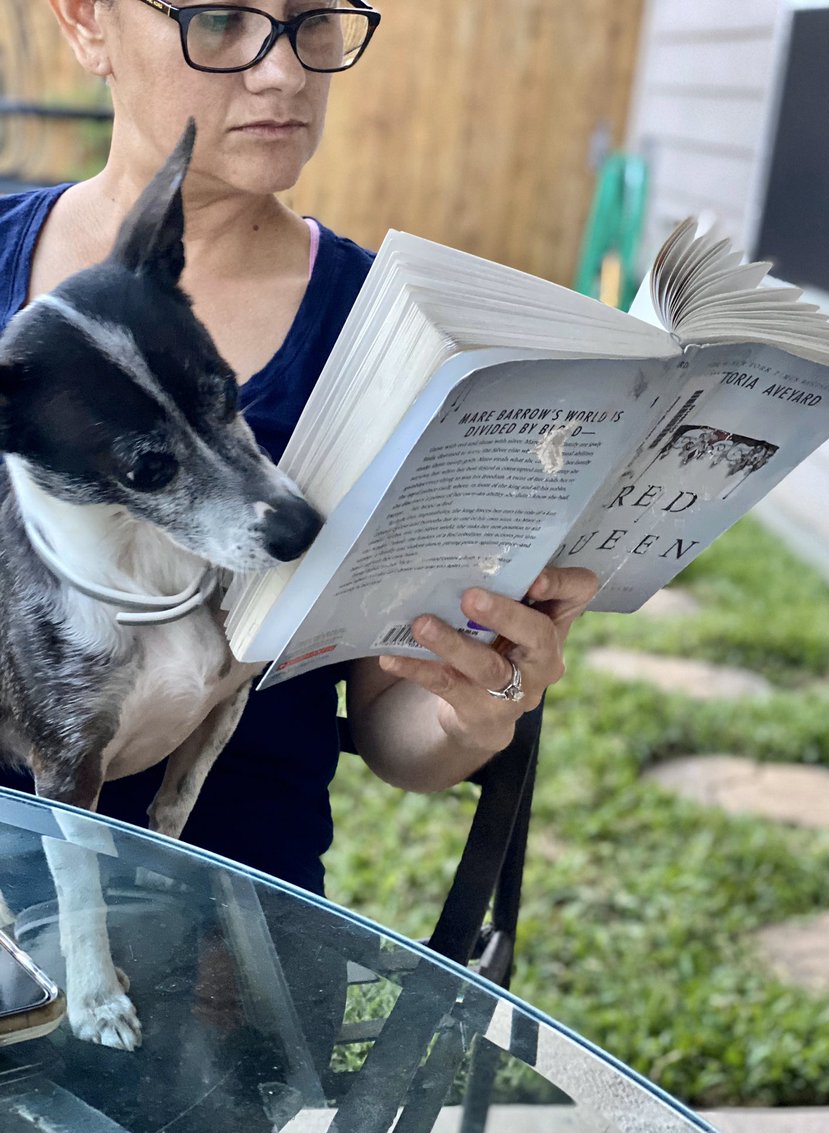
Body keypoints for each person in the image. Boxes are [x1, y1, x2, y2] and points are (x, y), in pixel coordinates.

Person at [0, 0, 598, 896]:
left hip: (232, 909)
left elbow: (396, 730)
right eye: (217, 18)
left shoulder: (395, 335)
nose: (285, 71)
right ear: (87, 21)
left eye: (313, 17)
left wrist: (476, 708)